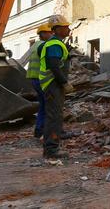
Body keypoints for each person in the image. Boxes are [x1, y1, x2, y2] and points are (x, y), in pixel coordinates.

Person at [39, 15, 74, 159]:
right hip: (53, 84)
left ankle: (50, 147)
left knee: (53, 116)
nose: (69, 29)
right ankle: (51, 149)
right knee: (54, 117)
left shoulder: (56, 43)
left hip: (52, 84)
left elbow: (57, 62)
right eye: (66, 27)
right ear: (58, 29)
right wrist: (64, 82)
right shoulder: (54, 44)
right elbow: (54, 65)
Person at [26, 24, 53, 139]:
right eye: (49, 32)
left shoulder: (35, 45)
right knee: (48, 106)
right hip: (41, 79)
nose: (51, 34)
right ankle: (46, 130)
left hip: (34, 79)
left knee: (43, 105)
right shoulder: (44, 46)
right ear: (43, 34)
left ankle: (38, 129)